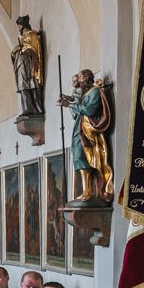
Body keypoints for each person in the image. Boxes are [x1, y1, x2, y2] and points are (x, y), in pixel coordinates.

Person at [59, 68, 114, 202]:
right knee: (78, 156)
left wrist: (70, 105)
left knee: (86, 157)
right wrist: (69, 99)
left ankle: (88, 191)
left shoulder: (95, 92)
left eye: (80, 78)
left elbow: (89, 110)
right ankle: (86, 190)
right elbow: (80, 102)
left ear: (86, 79)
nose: (78, 81)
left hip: (89, 131)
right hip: (80, 128)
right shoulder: (86, 93)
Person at [11, 14, 44, 118]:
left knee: (28, 85)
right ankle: (26, 108)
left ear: (23, 26)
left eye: (19, 26)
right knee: (22, 87)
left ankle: (31, 109)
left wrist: (21, 49)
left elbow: (34, 51)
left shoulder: (31, 35)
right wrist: (14, 52)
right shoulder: (24, 38)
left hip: (27, 65)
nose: (19, 29)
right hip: (21, 65)